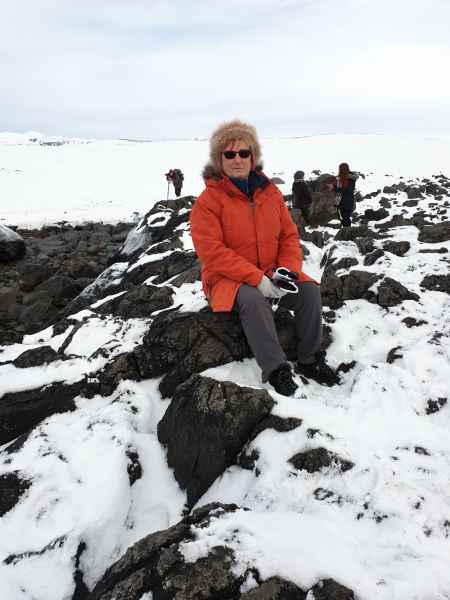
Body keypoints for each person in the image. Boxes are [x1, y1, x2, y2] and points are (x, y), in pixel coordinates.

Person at [190, 120, 338, 396]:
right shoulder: (207, 202)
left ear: (253, 157)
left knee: (308, 291)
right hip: (226, 280)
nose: (237, 159)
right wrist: (257, 279)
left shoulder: (271, 194)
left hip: (272, 272)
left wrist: (286, 272)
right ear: (219, 159)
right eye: (229, 154)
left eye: (243, 153)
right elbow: (212, 253)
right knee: (254, 300)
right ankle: (276, 369)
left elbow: (288, 236)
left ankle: (309, 359)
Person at [327, 163, 358, 227]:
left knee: (345, 218)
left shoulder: (350, 179)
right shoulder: (341, 179)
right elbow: (341, 188)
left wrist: (334, 188)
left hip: (346, 201)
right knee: (342, 218)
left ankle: (347, 231)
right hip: (342, 201)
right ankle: (346, 231)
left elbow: (346, 190)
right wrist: (333, 186)